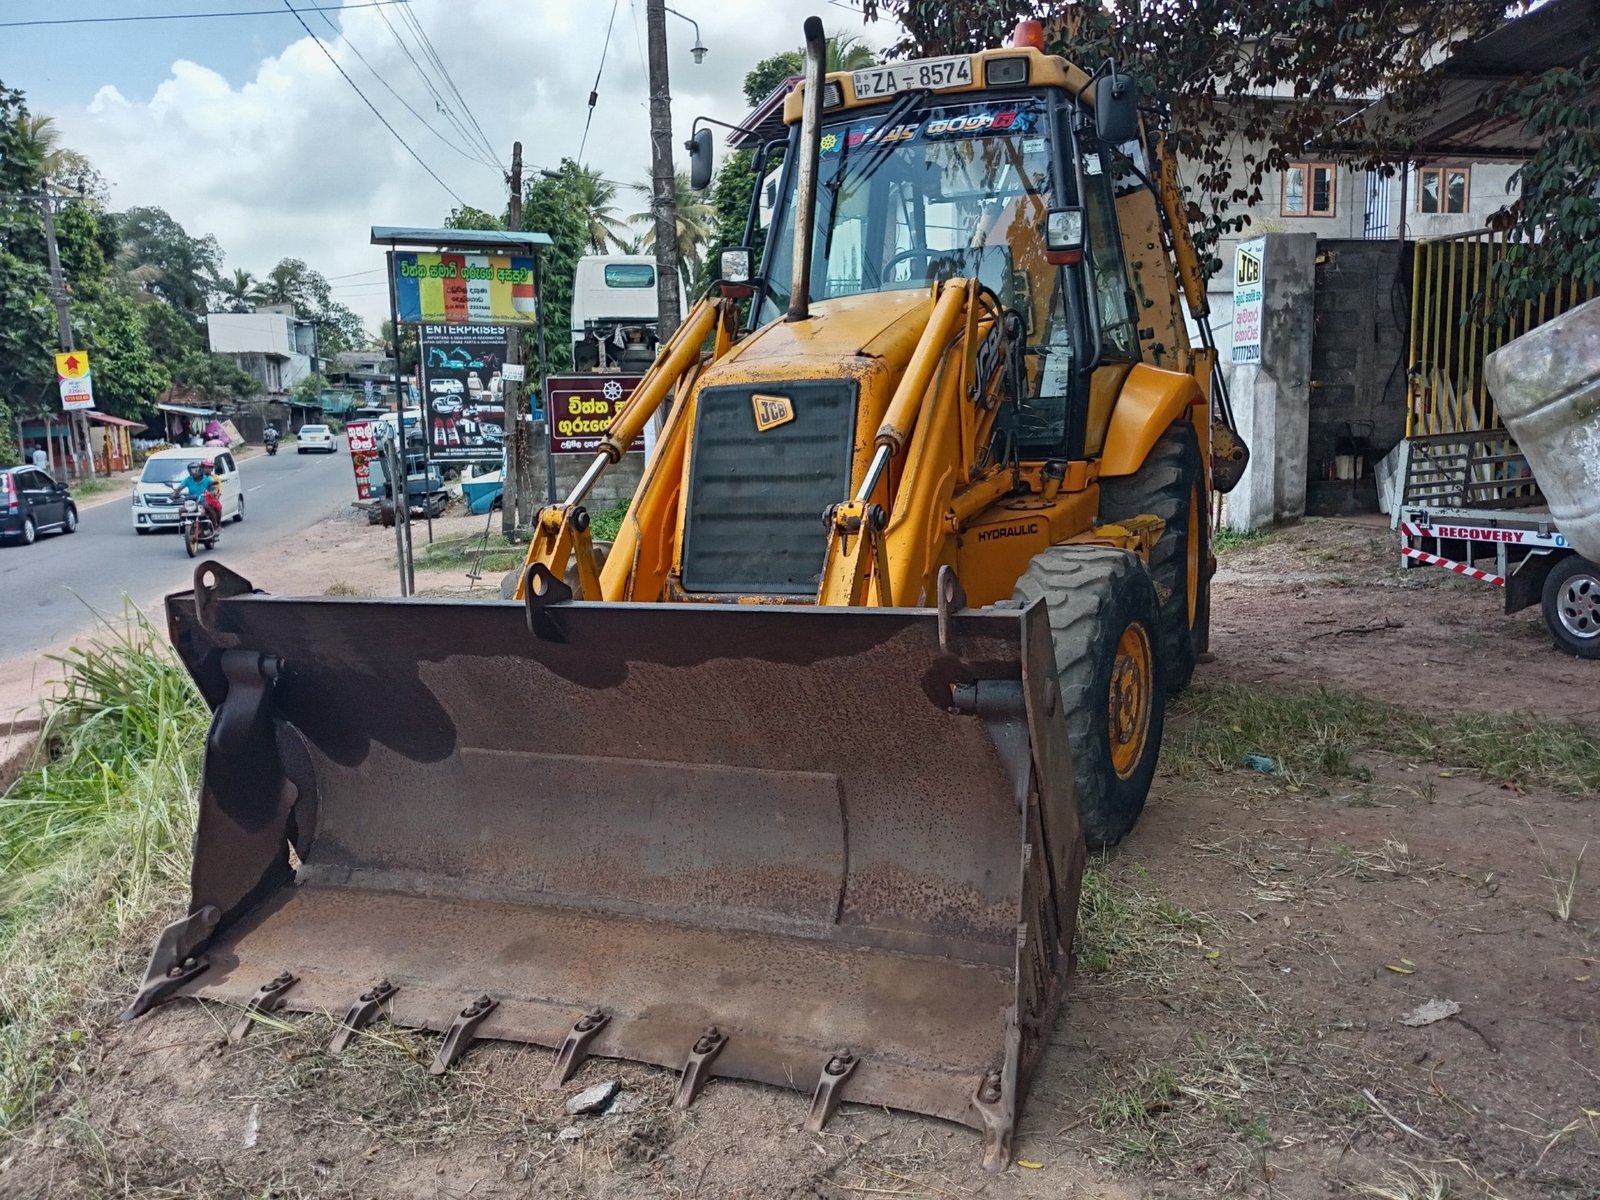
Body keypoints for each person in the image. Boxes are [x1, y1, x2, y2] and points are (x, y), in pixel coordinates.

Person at [174, 459, 223, 533]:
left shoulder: (207, 479)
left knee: (209, 508)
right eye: (191, 470)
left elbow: (214, 486)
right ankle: (185, 526)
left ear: (200, 470)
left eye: (195, 470)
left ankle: (214, 527)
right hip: (192, 502)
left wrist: (214, 491)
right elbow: (179, 488)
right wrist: (175, 494)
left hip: (204, 500)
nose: (194, 472)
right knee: (181, 510)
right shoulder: (188, 480)